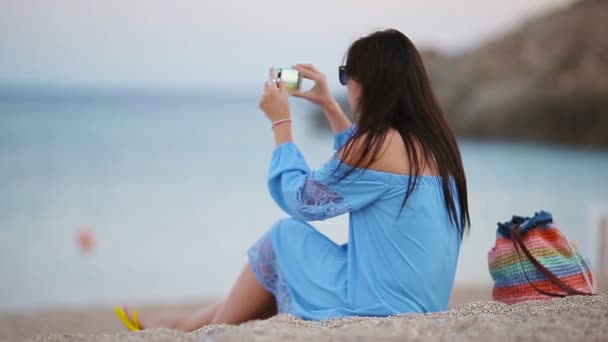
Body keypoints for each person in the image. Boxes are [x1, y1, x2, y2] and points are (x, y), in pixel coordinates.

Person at [122, 28, 470, 332]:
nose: (346, 84)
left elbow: (302, 200)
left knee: (283, 237)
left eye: (347, 75)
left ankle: (208, 331)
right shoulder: (435, 143)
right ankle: (184, 325)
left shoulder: (376, 144)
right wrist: (329, 106)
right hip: (418, 304)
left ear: (370, 82)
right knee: (285, 261)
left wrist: (280, 124)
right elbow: (366, 170)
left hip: (378, 306)